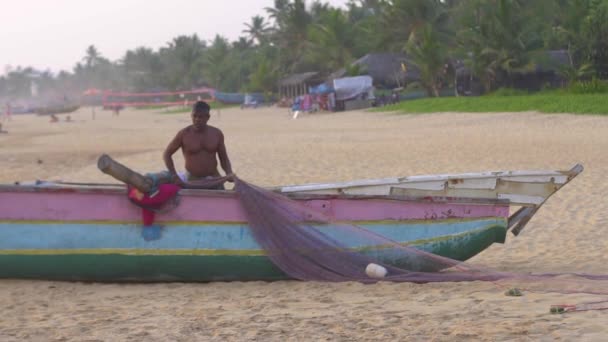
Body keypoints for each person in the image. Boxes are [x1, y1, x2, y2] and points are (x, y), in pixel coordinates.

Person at [163, 101, 234, 190]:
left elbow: (223, 158)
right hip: (192, 179)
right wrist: (174, 175)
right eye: (194, 116)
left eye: (200, 117)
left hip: (214, 177)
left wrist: (229, 172)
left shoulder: (216, 133)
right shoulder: (184, 134)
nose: (197, 119)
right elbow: (167, 154)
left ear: (207, 117)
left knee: (220, 202)